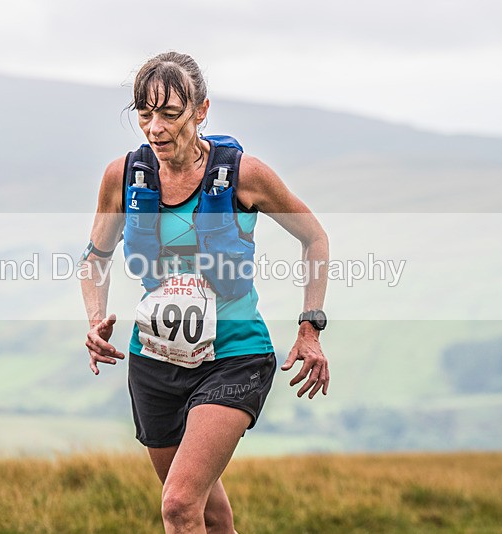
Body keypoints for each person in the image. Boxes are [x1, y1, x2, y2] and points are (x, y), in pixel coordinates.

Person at [80, 51, 329, 534]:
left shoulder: (245, 175)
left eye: (169, 114)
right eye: (144, 114)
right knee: (208, 515)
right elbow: (95, 257)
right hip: (154, 360)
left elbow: (314, 236)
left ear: (201, 110)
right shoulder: (123, 177)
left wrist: (310, 325)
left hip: (235, 354)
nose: (154, 128)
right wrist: (96, 317)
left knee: (177, 505)